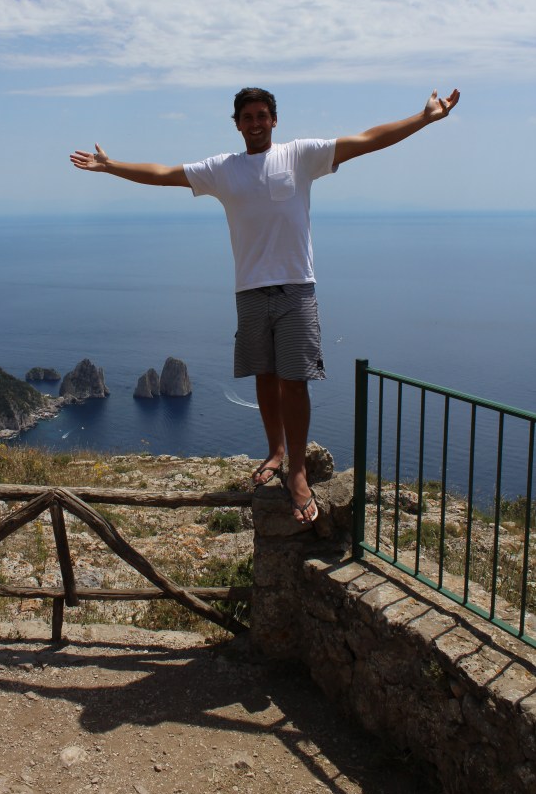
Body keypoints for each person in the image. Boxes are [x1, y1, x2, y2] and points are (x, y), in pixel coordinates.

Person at [70, 86, 460, 524]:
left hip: (296, 287)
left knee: (295, 381)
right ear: (237, 124)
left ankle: (298, 471)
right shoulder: (223, 169)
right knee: (265, 375)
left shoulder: (301, 155)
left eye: (262, 115)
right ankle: (275, 451)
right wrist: (111, 166)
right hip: (250, 290)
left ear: (274, 120)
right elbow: (164, 173)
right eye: (247, 117)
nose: (255, 123)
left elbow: (367, 140)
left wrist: (423, 118)